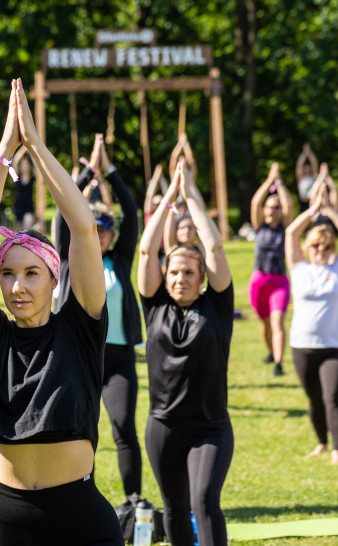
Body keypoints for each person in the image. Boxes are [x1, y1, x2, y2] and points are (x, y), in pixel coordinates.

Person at [0, 78, 123, 545]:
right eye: (8, 274)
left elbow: (83, 227)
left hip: (81, 521)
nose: (17, 285)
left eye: (32, 273)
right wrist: (4, 153)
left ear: (55, 279)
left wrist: (36, 145)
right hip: (8, 523)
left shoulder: (80, 327)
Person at [138, 159, 234, 546]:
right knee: (174, 506)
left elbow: (212, 245)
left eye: (189, 273)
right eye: (174, 272)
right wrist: (165, 202)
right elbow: (146, 253)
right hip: (163, 425)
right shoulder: (155, 305)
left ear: (202, 277)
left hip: (210, 425)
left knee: (204, 500)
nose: (180, 278)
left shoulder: (217, 306)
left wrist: (189, 194)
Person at [55, 133, 143, 503]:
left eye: (105, 230)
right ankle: (80, 498)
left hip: (119, 358)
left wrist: (110, 173)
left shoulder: (120, 259)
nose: (100, 235)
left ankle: (134, 500)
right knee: (79, 431)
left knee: (123, 427)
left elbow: (132, 212)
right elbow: (64, 207)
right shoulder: (68, 256)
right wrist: (87, 172)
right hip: (79, 356)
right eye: (94, 229)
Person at [285, 163, 338, 465]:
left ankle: (337, 450)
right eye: (316, 244)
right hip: (303, 344)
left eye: (326, 245)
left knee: (332, 398)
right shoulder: (299, 267)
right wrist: (312, 211)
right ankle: (322, 443)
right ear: (308, 247)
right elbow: (290, 231)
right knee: (313, 399)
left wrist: (329, 210)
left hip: (336, 345)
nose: (321, 249)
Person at [248, 162, 293, 376]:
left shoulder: (286, 229)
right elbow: (256, 201)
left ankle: (278, 363)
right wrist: (269, 180)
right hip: (259, 280)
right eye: (270, 206)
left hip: (279, 281)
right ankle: (270, 352)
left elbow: (290, 206)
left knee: (277, 322)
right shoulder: (260, 226)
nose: (273, 210)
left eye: (277, 207)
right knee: (264, 323)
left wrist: (280, 183)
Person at [12, 147, 36, 229]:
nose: (25, 166)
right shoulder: (16, 178)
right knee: (19, 232)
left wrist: (31, 153)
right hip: (18, 208)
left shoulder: (33, 178)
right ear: (20, 167)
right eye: (23, 165)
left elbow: (36, 165)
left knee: (27, 226)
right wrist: (23, 149)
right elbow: (15, 162)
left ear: (30, 167)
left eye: (26, 165)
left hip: (29, 207)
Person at [295, 143, 319, 212]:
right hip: (303, 204)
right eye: (305, 167)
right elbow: (299, 165)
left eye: (309, 167)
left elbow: (314, 163)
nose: (307, 169)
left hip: (313, 202)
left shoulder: (313, 177)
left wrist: (309, 153)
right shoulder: (301, 179)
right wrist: (304, 153)